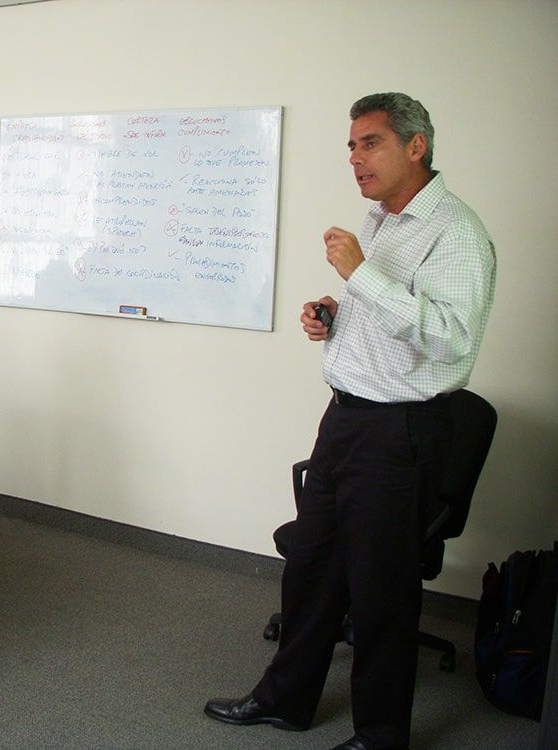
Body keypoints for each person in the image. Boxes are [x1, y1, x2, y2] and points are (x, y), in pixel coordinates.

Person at [204, 93, 496, 750]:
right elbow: (394, 318)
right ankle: (286, 699)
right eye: (352, 146)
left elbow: (451, 339)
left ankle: (381, 736)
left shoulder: (456, 232)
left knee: (380, 593)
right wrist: (336, 314)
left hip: (401, 435)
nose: (356, 158)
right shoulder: (383, 219)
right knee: (310, 568)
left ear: (415, 146)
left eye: (371, 143)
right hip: (345, 421)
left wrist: (362, 275)